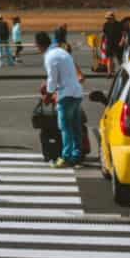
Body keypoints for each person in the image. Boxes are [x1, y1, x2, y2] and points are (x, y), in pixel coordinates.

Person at [41, 30, 85, 166]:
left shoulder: (50, 56)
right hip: (77, 93)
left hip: (65, 95)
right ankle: (77, 156)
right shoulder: (63, 52)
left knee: (65, 128)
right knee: (76, 127)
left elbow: (52, 80)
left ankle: (66, 158)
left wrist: (48, 96)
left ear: (39, 45)